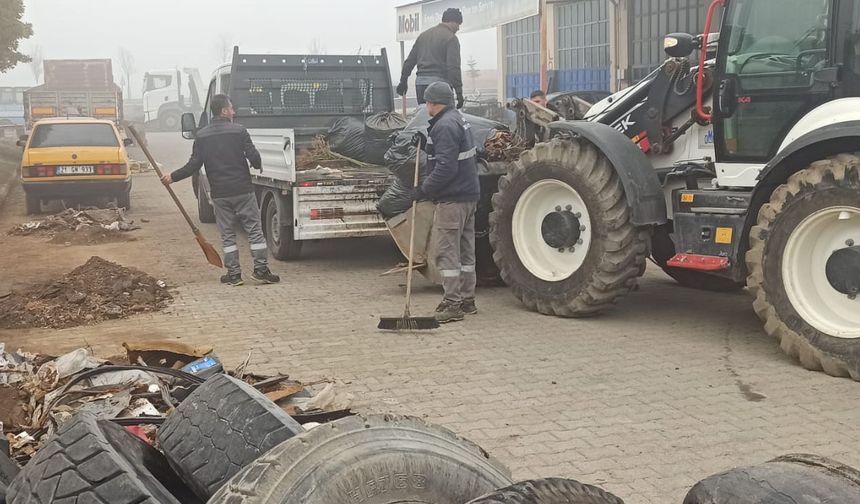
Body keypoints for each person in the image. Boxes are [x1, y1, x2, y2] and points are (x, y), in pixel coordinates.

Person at [160, 94, 280, 286]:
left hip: (220, 194)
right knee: (255, 231)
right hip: (242, 190)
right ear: (224, 111)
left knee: (227, 234)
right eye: (231, 108)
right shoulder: (239, 131)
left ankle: (233, 275)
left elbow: (194, 165)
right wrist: (257, 164)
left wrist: (171, 177)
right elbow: (253, 156)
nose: (233, 112)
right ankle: (261, 270)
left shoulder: (202, 136)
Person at [414, 82, 480, 323]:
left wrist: (424, 189)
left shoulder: (444, 126)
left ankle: (452, 303)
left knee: (447, 252)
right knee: (465, 251)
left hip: (452, 199)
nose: (426, 107)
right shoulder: (458, 120)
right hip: (469, 196)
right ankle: (467, 299)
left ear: (433, 103)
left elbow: (445, 167)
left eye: (427, 103)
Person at [397, 8, 465, 109]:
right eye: (458, 24)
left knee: (425, 118)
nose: (458, 28)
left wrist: (403, 81)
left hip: (421, 84)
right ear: (452, 21)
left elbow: (410, 61)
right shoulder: (451, 38)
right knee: (445, 118)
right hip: (440, 85)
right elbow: (453, 67)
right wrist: (459, 93)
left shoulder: (423, 36)